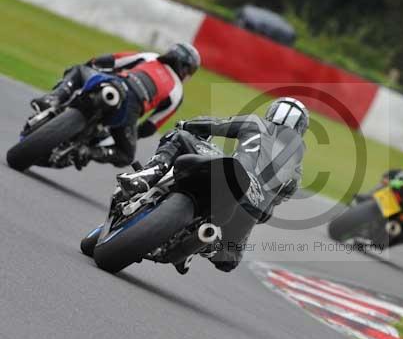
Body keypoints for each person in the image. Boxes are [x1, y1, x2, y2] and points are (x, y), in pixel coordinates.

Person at [117, 97, 309, 273]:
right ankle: (204, 244)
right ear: (301, 128)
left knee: (179, 136)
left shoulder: (257, 123)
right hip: (251, 208)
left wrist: (187, 124)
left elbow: (217, 125)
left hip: (231, 174)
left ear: (272, 112)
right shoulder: (296, 167)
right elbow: (267, 212)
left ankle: (146, 175)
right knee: (229, 259)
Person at [30, 43, 201, 168]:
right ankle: (89, 151)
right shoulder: (177, 92)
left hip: (112, 82)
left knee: (78, 70)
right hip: (129, 111)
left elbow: (111, 60)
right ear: (186, 70)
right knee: (126, 155)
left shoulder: (150, 57)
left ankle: (53, 99)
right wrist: (130, 134)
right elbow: (150, 126)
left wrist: (91, 66)